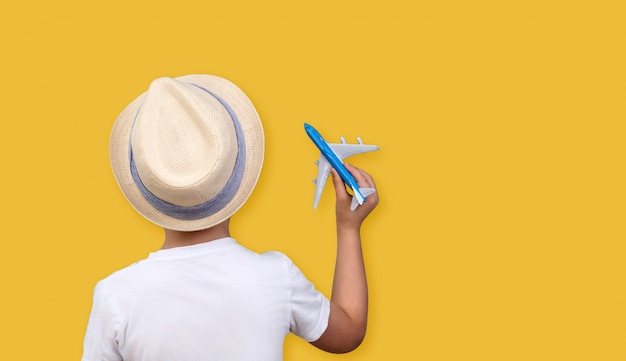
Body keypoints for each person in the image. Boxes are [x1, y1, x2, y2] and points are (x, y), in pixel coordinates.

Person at [82, 74, 379, 361]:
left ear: (147, 190)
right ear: (237, 175)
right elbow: (348, 331)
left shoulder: (115, 295)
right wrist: (348, 227)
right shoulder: (276, 276)